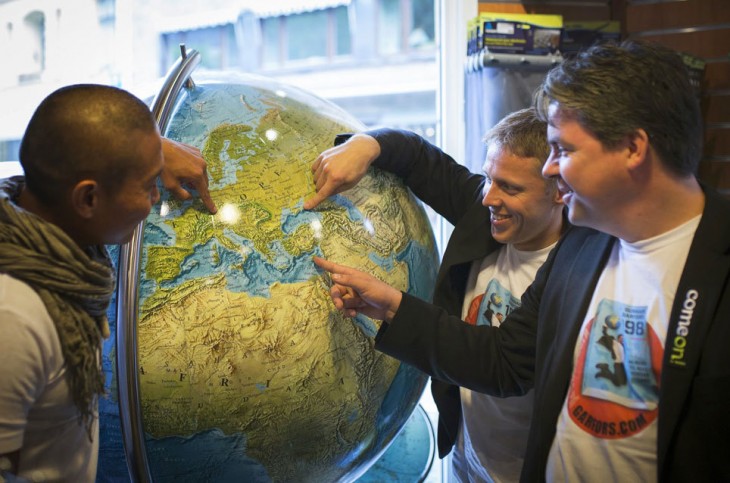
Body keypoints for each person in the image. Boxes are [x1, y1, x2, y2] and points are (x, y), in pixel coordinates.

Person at [313, 39, 730, 482]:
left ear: (632, 148)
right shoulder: (585, 246)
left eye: (564, 151)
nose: (551, 170)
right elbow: (506, 362)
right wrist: (390, 305)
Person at [308, 107, 565, 481]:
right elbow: (419, 158)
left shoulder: (574, 271)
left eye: (510, 187)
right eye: (489, 178)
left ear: (561, 190)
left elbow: (500, 363)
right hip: (467, 454)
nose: (488, 197)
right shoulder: (485, 210)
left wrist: (394, 306)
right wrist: (367, 144)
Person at [0, 83, 216, 481]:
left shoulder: (50, 235)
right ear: (87, 200)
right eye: (149, 183)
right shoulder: (14, 319)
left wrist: (143, 150)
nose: (157, 197)